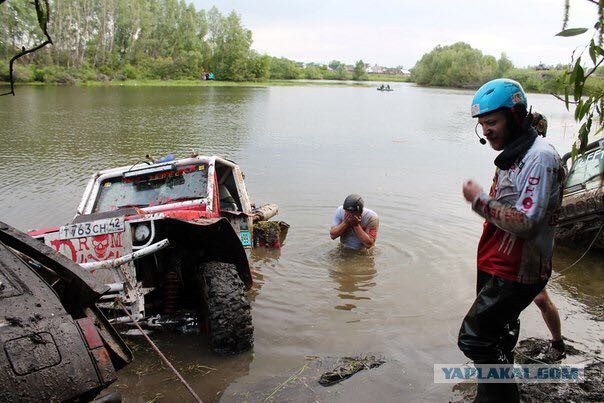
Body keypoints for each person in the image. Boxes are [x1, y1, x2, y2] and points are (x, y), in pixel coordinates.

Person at [458, 78, 565, 402]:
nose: (486, 131)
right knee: (500, 337)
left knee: (474, 338)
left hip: (516, 269)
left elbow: (528, 223)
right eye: (482, 125)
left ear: (516, 115)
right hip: (498, 261)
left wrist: (479, 201)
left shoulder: (540, 157)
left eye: (491, 122)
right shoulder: (515, 154)